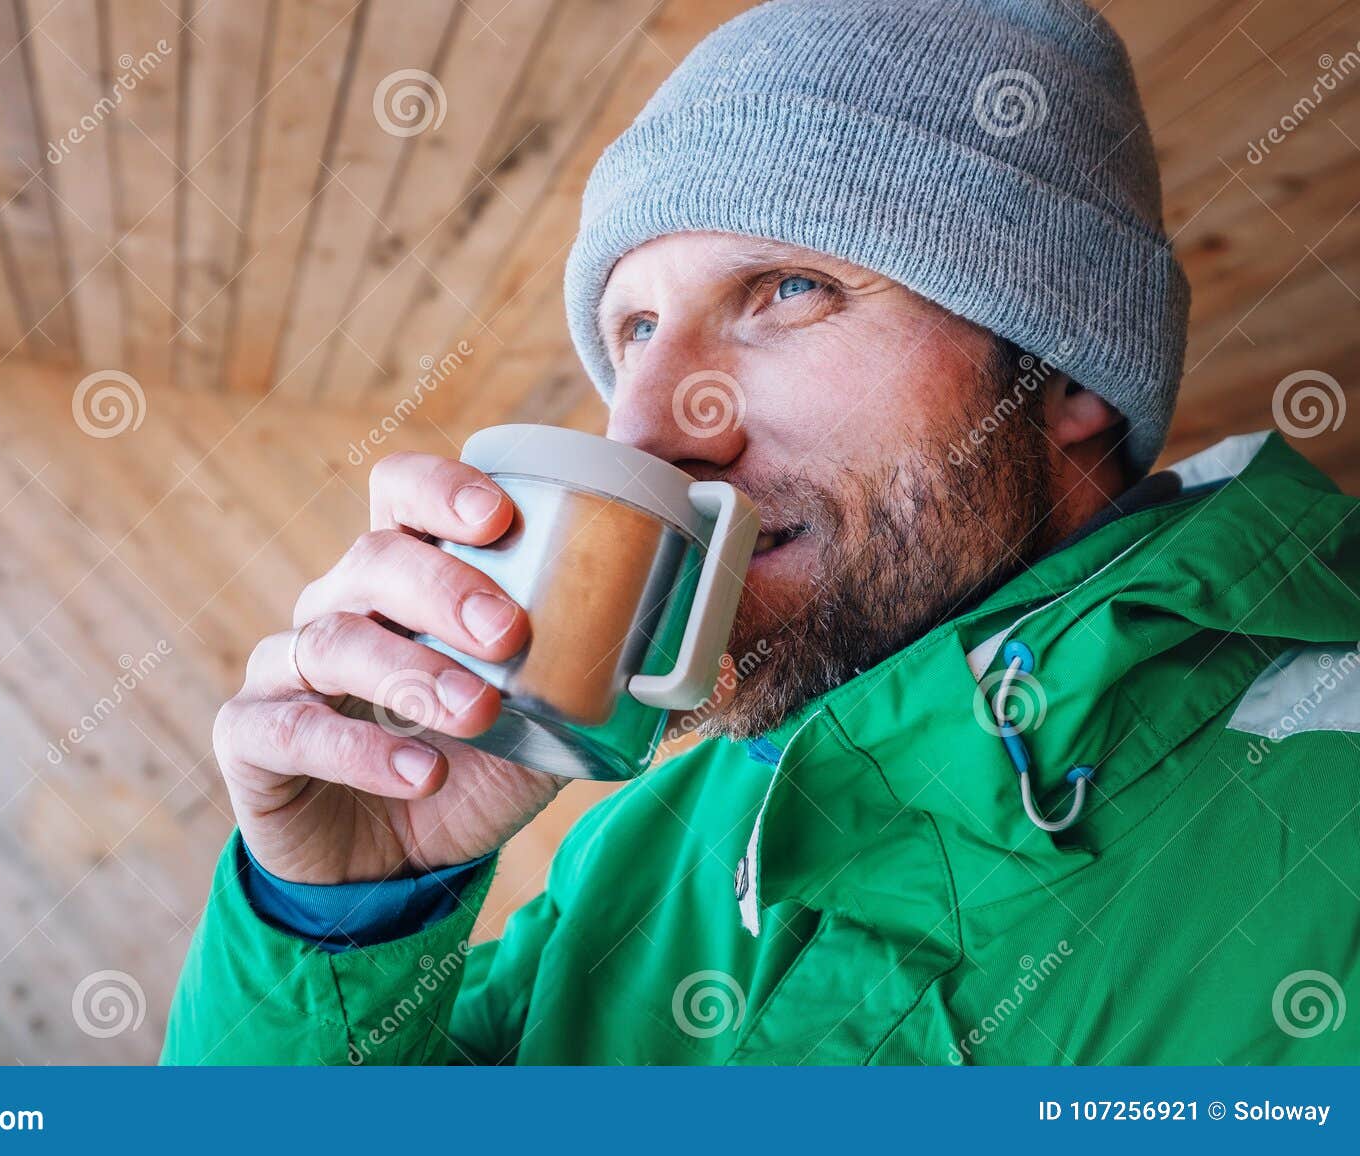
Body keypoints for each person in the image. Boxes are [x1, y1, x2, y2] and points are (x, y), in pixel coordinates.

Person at [163, 0, 1360, 1064]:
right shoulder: (644, 854)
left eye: (786, 290)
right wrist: (345, 912)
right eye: (633, 332)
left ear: (1064, 371)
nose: (648, 430)